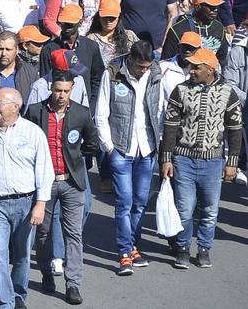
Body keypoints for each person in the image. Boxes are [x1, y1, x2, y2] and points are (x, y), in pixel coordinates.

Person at [0, 87, 54, 309]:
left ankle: (18, 296)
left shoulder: (33, 133)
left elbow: (45, 171)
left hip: (25, 203)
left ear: (15, 107)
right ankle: (4, 303)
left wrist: (40, 204)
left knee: (23, 254)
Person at [160, 47, 242, 268]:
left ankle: (204, 248)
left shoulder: (228, 93)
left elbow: (235, 130)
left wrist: (232, 162)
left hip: (213, 162)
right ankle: (183, 247)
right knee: (184, 208)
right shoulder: (181, 90)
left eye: (197, 67)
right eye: (191, 66)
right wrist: (166, 159)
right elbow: (170, 127)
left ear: (210, 69)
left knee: (209, 210)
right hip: (183, 160)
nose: (191, 71)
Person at [24, 70, 100, 303]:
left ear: (72, 90)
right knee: (44, 232)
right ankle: (47, 273)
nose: (61, 95)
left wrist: (76, 161)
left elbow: (92, 143)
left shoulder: (81, 113)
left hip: (72, 181)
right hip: (44, 183)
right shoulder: (36, 111)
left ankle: (73, 283)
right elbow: (24, 141)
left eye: (66, 91)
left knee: (73, 233)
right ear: (51, 88)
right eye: (58, 90)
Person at [94, 39, 161, 275]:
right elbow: (101, 113)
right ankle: (124, 252)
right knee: (124, 202)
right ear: (130, 59)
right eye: (140, 66)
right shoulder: (112, 74)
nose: (144, 71)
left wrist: (159, 144)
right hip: (121, 148)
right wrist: (109, 148)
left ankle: (133, 245)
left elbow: (159, 109)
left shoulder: (155, 73)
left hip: (147, 148)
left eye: (147, 66)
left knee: (141, 201)